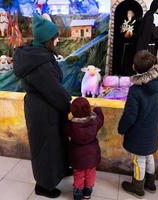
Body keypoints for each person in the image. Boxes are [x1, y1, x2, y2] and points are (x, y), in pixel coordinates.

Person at [13, 15, 72, 198]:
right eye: (55, 37)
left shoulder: (41, 54)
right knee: (45, 148)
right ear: (47, 40)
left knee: (55, 143)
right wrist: (70, 104)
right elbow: (53, 90)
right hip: (42, 110)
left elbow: (53, 89)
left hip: (46, 107)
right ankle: (44, 186)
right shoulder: (40, 64)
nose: (58, 39)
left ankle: (60, 169)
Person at [118, 50, 158, 199]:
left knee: (139, 160)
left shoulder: (136, 90)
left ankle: (137, 187)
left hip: (138, 134)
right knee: (149, 156)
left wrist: (121, 128)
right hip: (151, 131)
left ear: (134, 68)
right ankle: (150, 183)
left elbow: (130, 116)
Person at [65, 97, 104, 200]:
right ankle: (87, 193)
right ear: (88, 109)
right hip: (92, 155)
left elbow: (63, 125)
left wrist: (66, 110)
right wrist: (97, 109)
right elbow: (101, 119)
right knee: (91, 174)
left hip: (77, 157)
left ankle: (77, 195)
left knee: (78, 175)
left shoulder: (70, 126)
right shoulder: (95, 123)